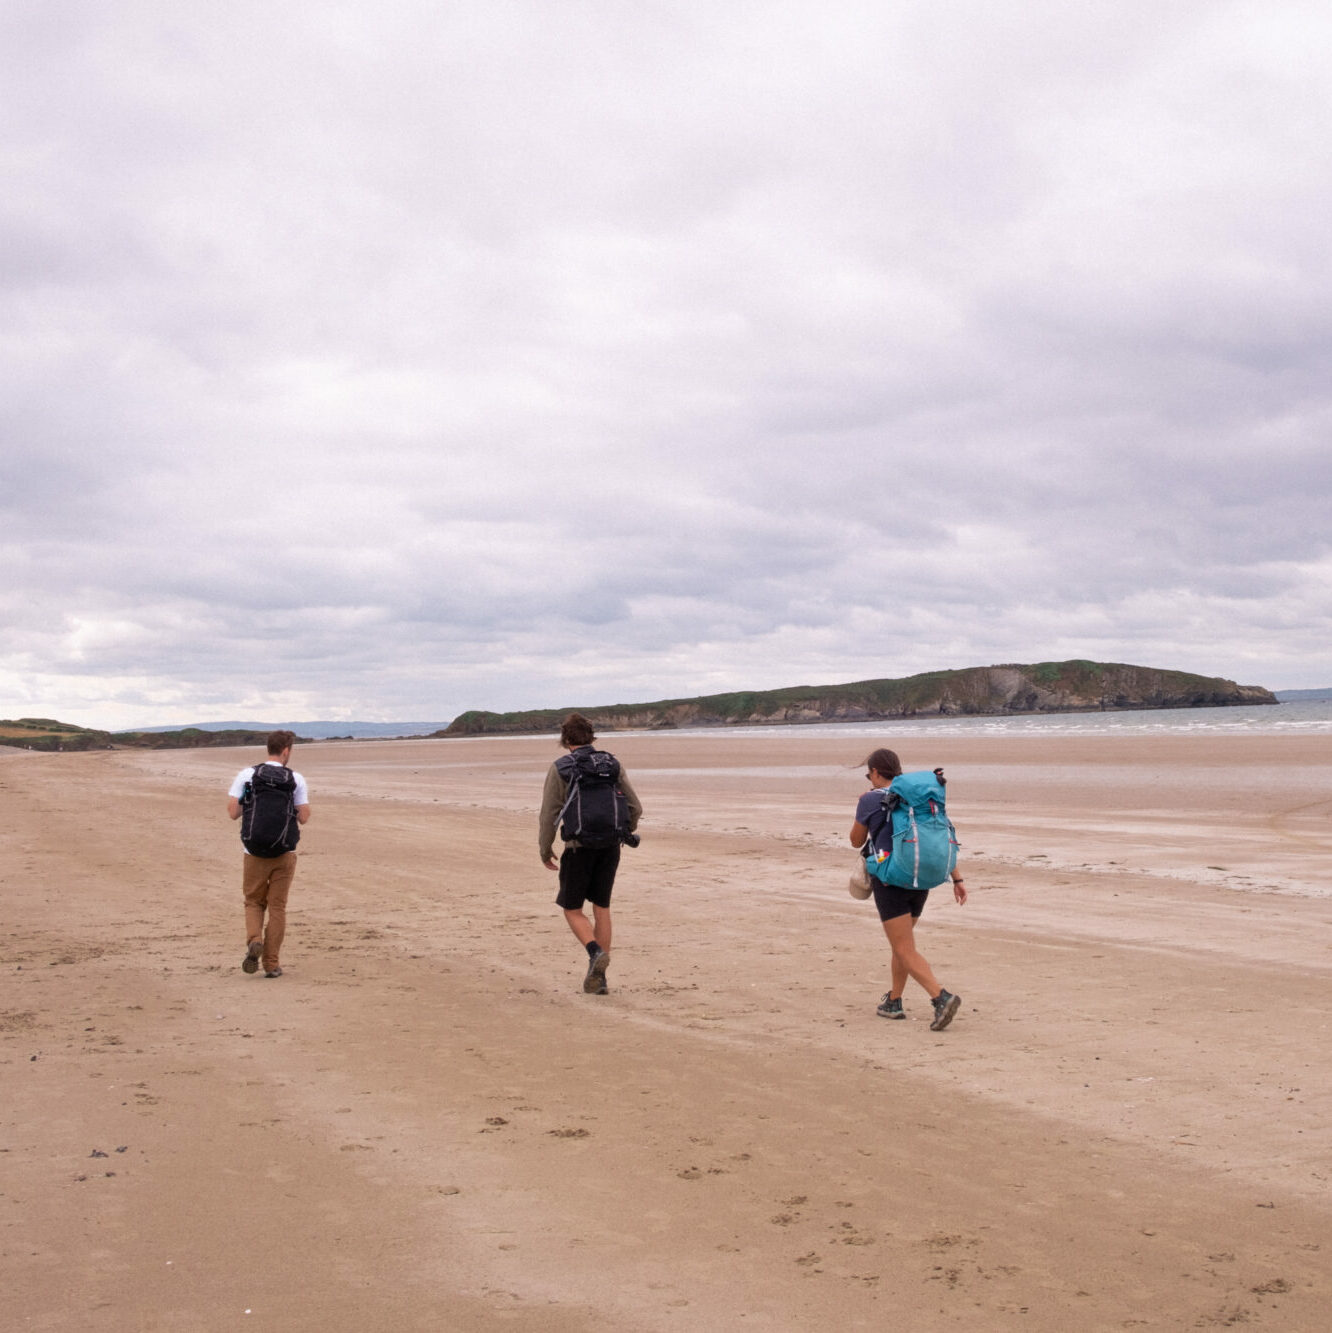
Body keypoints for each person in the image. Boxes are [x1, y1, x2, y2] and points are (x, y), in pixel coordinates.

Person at [849, 747, 966, 1031]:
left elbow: (855, 840)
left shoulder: (870, 799)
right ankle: (894, 1001)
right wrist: (957, 879)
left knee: (903, 947)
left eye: (869, 773)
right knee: (903, 946)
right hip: (921, 878)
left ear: (876, 772)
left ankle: (941, 997)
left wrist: (863, 808)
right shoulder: (919, 799)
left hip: (891, 880)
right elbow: (939, 837)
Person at [539, 713, 642, 994]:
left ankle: (595, 952)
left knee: (572, 909)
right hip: (610, 846)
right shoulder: (611, 763)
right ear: (591, 737)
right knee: (602, 907)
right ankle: (601, 981)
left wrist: (545, 848)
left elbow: (549, 813)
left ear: (565, 739)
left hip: (578, 847)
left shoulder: (561, 767)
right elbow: (635, 807)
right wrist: (623, 831)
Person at [226, 729, 311, 978]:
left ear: (268, 748)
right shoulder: (296, 779)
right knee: (277, 907)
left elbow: (232, 813)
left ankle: (254, 940)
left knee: (253, 901)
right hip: (285, 852)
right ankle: (271, 964)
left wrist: (250, 802)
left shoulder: (248, 775)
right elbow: (304, 817)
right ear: (286, 751)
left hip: (253, 851)